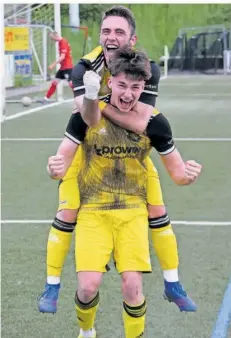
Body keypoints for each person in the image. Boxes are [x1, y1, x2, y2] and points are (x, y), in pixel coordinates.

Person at [38, 6, 196, 314]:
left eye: (119, 32)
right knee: (68, 211)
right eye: (106, 31)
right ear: (100, 36)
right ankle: (51, 286)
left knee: (157, 207)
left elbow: (140, 119)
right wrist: (91, 106)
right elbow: (86, 120)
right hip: (89, 151)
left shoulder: (146, 68)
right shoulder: (84, 67)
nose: (112, 38)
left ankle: (172, 282)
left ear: (132, 39)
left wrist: (97, 100)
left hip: (132, 150)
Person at [43, 31, 73, 102]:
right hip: (63, 68)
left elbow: (62, 57)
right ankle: (46, 98)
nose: (52, 39)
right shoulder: (60, 42)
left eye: (52, 38)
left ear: (55, 36)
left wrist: (53, 64)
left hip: (67, 68)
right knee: (54, 82)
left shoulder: (63, 42)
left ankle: (82, 98)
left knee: (72, 84)